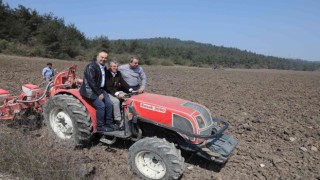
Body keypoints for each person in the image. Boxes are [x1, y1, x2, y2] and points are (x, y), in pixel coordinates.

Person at [80, 50, 117, 132]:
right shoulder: (91, 66)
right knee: (101, 106)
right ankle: (100, 126)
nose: (103, 59)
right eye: (102, 57)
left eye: (105, 58)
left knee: (110, 104)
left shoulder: (103, 67)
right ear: (97, 57)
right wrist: (99, 93)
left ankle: (109, 124)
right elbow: (91, 82)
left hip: (100, 89)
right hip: (90, 90)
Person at [105, 61, 132, 127]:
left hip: (116, 91)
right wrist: (117, 94)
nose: (116, 68)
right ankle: (118, 120)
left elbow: (123, 82)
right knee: (116, 101)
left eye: (117, 66)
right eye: (114, 66)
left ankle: (127, 117)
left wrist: (130, 89)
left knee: (128, 98)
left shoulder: (118, 73)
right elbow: (108, 87)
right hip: (108, 92)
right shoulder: (107, 74)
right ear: (110, 67)